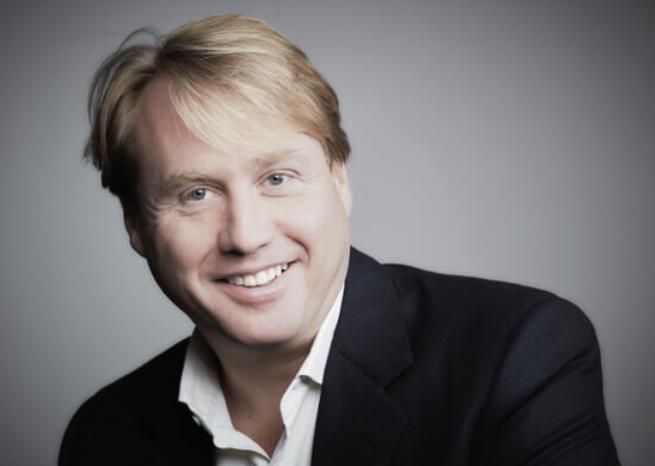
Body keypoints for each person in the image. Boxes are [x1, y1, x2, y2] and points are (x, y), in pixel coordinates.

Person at [59, 15, 620, 466]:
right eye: (196, 194)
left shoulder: (517, 355)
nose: (247, 236)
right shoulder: (104, 434)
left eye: (277, 178)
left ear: (339, 180)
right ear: (136, 225)